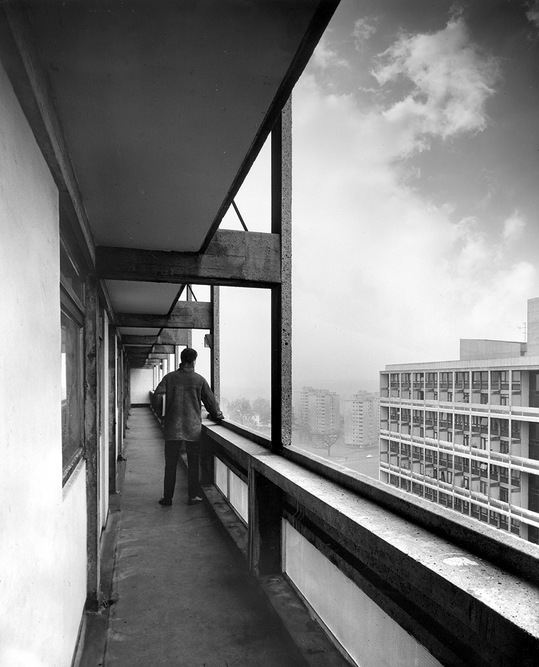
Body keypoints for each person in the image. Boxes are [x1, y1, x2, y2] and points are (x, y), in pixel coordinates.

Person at [153, 347, 223, 506]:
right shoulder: (199, 380)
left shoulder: (169, 378)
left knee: (170, 465)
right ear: (193, 361)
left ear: (181, 359)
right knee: (193, 464)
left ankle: (167, 498)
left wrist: (162, 415)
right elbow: (211, 403)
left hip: (172, 428)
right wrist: (217, 415)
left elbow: (157, 397)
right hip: (193, 429)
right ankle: (193, 496)